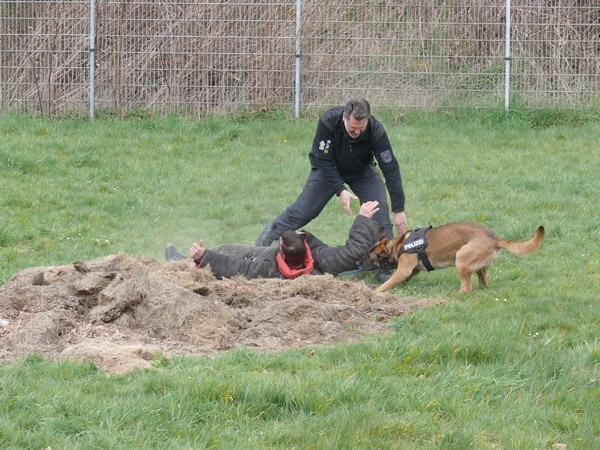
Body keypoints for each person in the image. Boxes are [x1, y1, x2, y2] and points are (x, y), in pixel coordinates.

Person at [254, 98, 407, 281]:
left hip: (361, 170)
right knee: (305, 210)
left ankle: (384, 264)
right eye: (352, 129)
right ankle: (273, 231)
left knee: (379, 209)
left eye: (361, 129)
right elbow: (323, 160)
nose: (357, 133)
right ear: (344, 118)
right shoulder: (328, 122)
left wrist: (399, 209)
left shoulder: (376, 130)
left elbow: (390, 168)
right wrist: (340, 190)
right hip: (327, 168)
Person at [165, 201, 381, 280]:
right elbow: (355, 251)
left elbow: (234, 268)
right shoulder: (323, 261)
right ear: (306, 247)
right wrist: (363, 219)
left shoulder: (267, 270)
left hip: (254, 259)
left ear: (280, 248)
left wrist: (204, 257)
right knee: (227, 254)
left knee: (225, 250)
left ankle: (182, 262)